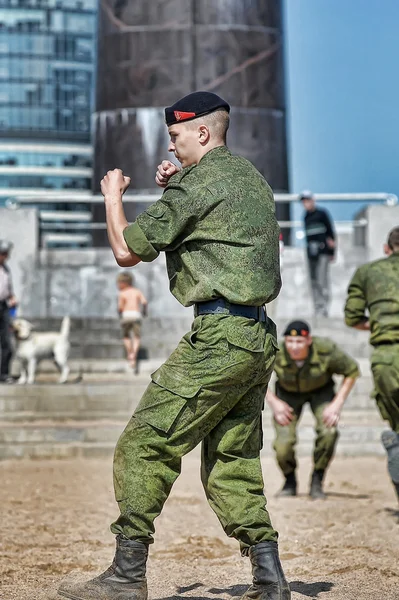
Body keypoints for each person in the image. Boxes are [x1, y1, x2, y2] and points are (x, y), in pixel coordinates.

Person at [58, 91, 291, 600]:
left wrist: (113, 196)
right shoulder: (249, 178)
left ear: (202, 132)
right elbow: (210, 218)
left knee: (145, 443)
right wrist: (177, 181)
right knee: (233, 458)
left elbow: (126, 250)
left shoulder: (196, 183)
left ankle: (125, 575)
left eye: (177, 137)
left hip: (220, 337)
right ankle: (269, 577)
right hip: (257, 337)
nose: (172, 146)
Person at [266, 320, 359, 499]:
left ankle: (317, 478)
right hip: (287, 395)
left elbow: (352, 371)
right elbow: (254, 373)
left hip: (321, 392)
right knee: (283, 444)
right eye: (290, 341)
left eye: (299, 342)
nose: (294, 346)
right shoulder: (275, 351)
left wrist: (336, 404)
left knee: (328, 432)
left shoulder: (325, 350)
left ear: (309, 340)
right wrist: (274, 402)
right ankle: (289, 481)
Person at [344, 226, 399, 503]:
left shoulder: (367, 272)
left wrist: (380, 326)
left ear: (386, 248)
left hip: (387, 357)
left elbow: (352, 317)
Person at [299, 190, 336, 317]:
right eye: (303, 201)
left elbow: (331, 234)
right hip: (311, 253)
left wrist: (331, 252)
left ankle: (324, 308)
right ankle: (317, 307)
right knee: (313, 281)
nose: (305, 203)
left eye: (307, 200)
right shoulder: (305, 217)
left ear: (312, 200)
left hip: (323, 252)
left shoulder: (322, 214)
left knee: (322, 280)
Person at [117, 271, 148, 372]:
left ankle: (129, 353)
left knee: (126, 336)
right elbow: (144, 302)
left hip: (126, 315)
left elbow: (120, 307)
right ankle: (134, 355)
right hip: (136, 315)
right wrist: (144, 311)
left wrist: (120, 313)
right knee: (136, 336)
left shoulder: (122, 293)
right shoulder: (137, 291)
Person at [0, 240, 17, 383]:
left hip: (3, 306)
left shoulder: (6, 270)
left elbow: (8, 289)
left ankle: (4, 373)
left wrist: (12, 298)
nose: (5, 257)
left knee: (7, 343)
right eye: (3, 254)